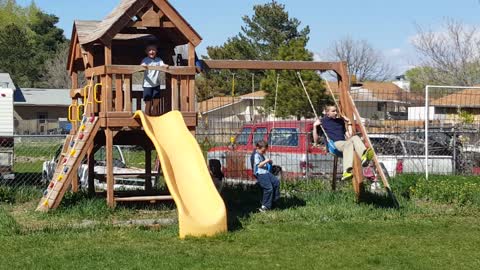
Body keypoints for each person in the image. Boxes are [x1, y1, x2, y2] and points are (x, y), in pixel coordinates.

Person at [313, 105, 373, 181]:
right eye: (333, 111)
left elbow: (349, 135)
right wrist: (314, 126)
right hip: (334, 145)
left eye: (336, 111)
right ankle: (346, 171)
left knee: (355, 137)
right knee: (348, 144)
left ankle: (364, 156)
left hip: (345, 146)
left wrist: (349, 122)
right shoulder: (323, 121)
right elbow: (316, 140)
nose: (336, 113)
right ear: (327, 113)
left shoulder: (340, 121)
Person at [253, 140, 280, 212]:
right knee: (268, 188)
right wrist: (266, 161)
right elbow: (259, 165)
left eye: (265, 151)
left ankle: (274, 201)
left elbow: (265, 165)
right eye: (263, 151)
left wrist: (269, 163)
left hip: (266, 172)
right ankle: (264, 206)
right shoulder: (256, 155)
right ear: (257, 148)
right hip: (261, 174)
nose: (264, 152)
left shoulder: (261, 155)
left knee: (276, 182)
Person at [141, 44, 169, 116]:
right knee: (148, 99)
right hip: (147, 83)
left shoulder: (158, 60)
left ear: (156, 51)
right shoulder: (146, 60)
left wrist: (165, 65)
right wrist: (143, 65)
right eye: (149, 50)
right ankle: (147, 110)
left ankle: (154, 108)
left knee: (157, 98)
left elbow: (162, 64)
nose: (151, 51)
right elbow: (142, 64)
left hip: (156, 83)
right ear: (146, 52)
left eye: (153, 50)